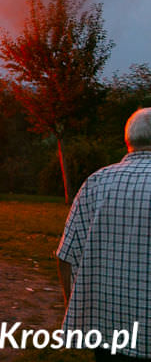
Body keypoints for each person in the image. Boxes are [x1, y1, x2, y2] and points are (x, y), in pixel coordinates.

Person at [57, 107, 151, 361]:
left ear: (128, 140)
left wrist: (74, 309)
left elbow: (65, 257)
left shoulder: (97, 182)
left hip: (107, 331)